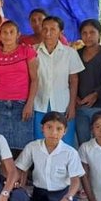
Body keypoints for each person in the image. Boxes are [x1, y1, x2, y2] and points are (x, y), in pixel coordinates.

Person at [16, 111, 85, 201]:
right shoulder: (32, 147)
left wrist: (68, 197)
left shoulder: (70, 152)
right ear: (42, 128)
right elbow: (21, 169)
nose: (54, 133)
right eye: (49, 127)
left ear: (65, 131)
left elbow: (75, 180)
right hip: (40, 196)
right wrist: (22, 188)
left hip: (61, 195)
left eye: (59, 129)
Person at [0, 20, 38, 153]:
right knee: (1, 145)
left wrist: (29, 104)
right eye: (4, 32)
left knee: (23, 145)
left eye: (11, 32)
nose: (7, 35)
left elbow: (35, 79)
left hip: (22, 103)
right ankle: (5, 174)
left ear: (18, 35)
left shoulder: (26, 51)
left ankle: (22, 174)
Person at [33, 16, 84, 147]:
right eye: (44, 29)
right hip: (39, 104)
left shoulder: (70, 53)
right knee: (40, 143)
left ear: (60, 31)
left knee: (65, 144)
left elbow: (74, 80)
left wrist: (72, 105)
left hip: (63, 104)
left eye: (52, 29)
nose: (48, 33)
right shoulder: (32, 51)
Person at [75, 19, 101, 147]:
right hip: (80, 108)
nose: (88, 36)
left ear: (99, 34)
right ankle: (85, 168)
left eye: (92, 32)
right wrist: (75, 97)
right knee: (84, 145)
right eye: (84, 33)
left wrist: (96, 94)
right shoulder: (76, 54)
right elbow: (72, 79)